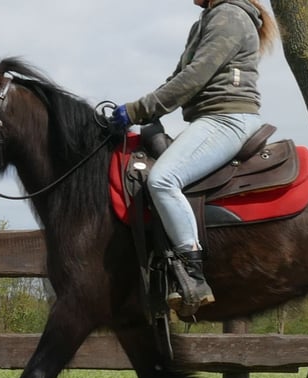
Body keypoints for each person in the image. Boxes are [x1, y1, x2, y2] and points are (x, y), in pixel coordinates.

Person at [109, 0, 277, 315]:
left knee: (163, 180)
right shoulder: (207, 19)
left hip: (228, 119)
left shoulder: (228, 15)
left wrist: (137, 110)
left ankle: (192, 275)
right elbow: (177, 78)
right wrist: (141, 111)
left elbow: (195, 77)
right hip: (211, 119)